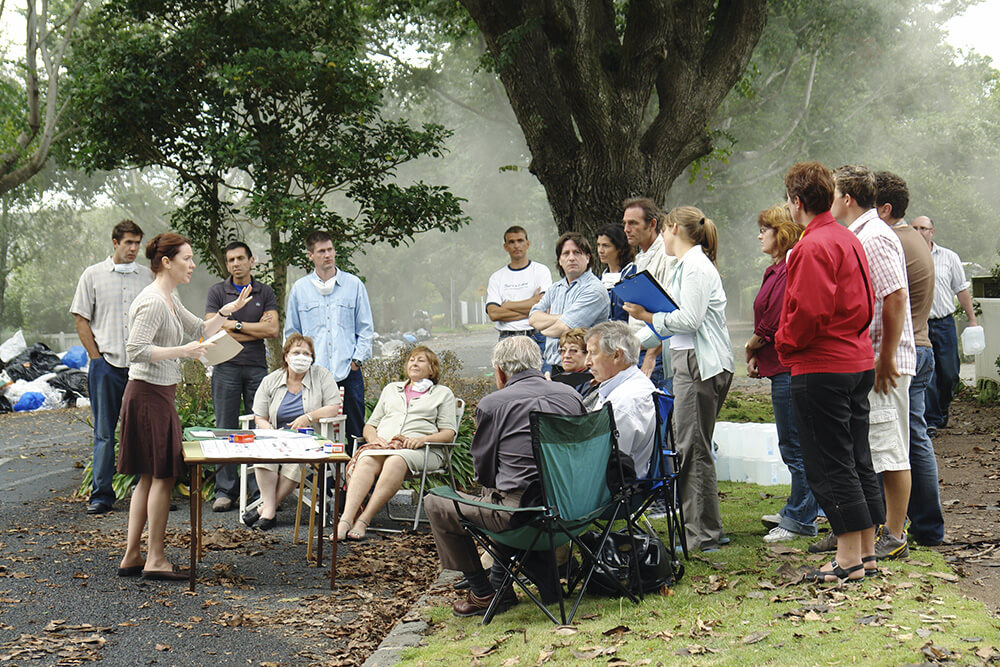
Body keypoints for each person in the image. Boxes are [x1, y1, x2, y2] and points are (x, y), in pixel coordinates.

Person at [117, 233, 253, 581]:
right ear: (167, 262)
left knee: (149, 477)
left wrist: (228, 311)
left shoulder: (168, 297)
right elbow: (135, 349)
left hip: (156, 393)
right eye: (187, 258)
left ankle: (134, 555)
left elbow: (199, 329)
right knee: (162, 476)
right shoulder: (153, 301)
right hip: (148, 393)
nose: (193, 265)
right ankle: (156, 559)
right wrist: (183, 352)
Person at [423, 336, 585, 617]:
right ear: (538, 363)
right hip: (575, 511)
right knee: (504, 494)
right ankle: (500, 583)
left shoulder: (494, 404)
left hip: (524, 516)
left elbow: (483, 472)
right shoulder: (571, 395)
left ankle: (483, 592)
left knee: (438, 501)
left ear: (500, 372)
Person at [776, 162, 880, 583]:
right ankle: (867, 553)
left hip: (822, 364)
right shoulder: (847, 238)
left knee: (828, 460)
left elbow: (809, 313)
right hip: (856, 359)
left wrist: (783, 342)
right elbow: (868, 301)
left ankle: (848, 559)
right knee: (857, 458)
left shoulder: (812, 245)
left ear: (797, 202)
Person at [624, 206, 734, 553]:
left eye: (665, 233)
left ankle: (701, 535)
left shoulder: (696, 266)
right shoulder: (684, 266)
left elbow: (688, 320)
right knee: (695, 447)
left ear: (672, 228)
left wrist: (647, 315)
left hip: (699, 365)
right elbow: (673, 325)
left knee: (692, 449)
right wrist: (627, 347)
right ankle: (705, 528)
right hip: (689, 361)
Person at [831, 164, 915, 562]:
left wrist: (885, 357)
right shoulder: (859, 234)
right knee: (870, 448)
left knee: (890, 448)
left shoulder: (875, 237)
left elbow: (895, 297)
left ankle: (895, 534)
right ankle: (869, 529)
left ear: (846, 198)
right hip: (872, 359)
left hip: (888, 362)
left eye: (832, 193)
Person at [876, 174, 944, 548]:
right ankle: (925, 526)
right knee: (913, 438)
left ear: (885, 209)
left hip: (909, 349)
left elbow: (894, 300)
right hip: (921, 346)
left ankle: (925, 527)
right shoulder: (912, 239)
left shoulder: (895, 243)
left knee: (909, 442)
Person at [745, 205, 818, 543]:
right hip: (776, 364)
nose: (759, 235)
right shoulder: (773, 269)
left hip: (791, 366)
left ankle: (802, 518)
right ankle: (797, 507)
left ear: (782, 232)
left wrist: (753, 342)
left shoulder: (790, 267)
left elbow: (776, 317)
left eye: (765, 229)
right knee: (791, 441)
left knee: (796, 444)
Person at [71, 220, 153, 515]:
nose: (133, 249)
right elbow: (81, 319)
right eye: (128, 243)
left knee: (145, 430)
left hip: (141, 368)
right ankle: (102, 495)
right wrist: (95, 357)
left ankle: (151, 494)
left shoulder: (147, 277)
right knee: (105, 432)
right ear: (115, 243)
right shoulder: (92, 275)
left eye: (137, 243)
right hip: (106, 364)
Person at [336, 346, 458, 541]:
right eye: (411, 360)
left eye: (421, 360)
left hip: (423, 450)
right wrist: (374, 440)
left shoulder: (442, 393)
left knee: (396, 460)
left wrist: (421, 439)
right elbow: (370, 426)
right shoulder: (392, 389)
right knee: (366, 459)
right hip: (383, 447)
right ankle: (346, 519)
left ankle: (364, 520)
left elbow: (448, 433)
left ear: (432, 368)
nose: (414, 363)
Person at [205, 241, 279, 512]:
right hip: (224, 366)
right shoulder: (217, 291)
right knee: (225, 428)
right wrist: (252, 327)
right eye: (230, 260)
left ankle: (259, 490)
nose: (235, 263)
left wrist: (233, 324)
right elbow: (212, 329)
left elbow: (271, 330)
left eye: (240, 258)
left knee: (259, 427)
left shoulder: (265, 291)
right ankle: (225, 490)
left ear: (251, 260)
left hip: (257, 368)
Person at [285, 231, 374, 449]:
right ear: (310, 255)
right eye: (321, 251)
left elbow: (366, 328)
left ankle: (356, 477)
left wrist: (357, 361)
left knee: (355, 430)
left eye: (330, 250)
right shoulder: (300, 289)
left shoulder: (353, 285)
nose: (328, 255)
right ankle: (323, 481)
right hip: (314, 373)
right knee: (316, 428)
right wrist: (297, 364)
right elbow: (292, 333)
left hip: (348, 371)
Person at [246, 333, 342, 530]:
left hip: (309, 439)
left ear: (312, 359)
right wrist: (269, 429)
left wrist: (308, 417)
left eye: (306, 353)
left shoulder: (322, 375)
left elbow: (333, 406)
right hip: (275, 437)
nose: (301, 357)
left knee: (296, 461)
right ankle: (269, 509)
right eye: (296, 352)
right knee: (263, 455)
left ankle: (266, 510)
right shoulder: (271, 380)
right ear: (286, 356)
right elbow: (259, 416)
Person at [913, 215, 978, 436]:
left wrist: (972, 319)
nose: (919, 231)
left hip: (944, 322)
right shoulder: (907, 257)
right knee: (927, 374)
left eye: (923, 228)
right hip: (920, 325)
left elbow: (961, 289)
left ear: (932, 231)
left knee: (949, 372)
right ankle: (931, 420)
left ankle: (941, 410)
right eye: (915, 228)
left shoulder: (949, 257)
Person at [529, 233, 610, 374]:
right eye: (566, 253)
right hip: (552, 366)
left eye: (577, 253)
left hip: (584, 370)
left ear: (587, 258)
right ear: (559, 260)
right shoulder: (555, 288)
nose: (571, 258)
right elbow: (533, 318)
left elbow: (560, 329)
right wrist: (563, 317)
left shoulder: (595, 290)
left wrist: (544, 328)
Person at [585, 321, 656, 477]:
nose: (587, 362)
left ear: (617, 355)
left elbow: (603, 462)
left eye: (593, 353)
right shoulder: (628, 387)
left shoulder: (624, 401)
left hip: (609, 488)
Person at [622, 197, 674, 389]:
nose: (627, 229)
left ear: (652, 224)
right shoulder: (642, 257)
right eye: (625, 223)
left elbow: (670, 313)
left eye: (633, 223)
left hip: (655, 353)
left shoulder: (666, 257)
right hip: (638, 347)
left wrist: (652, 354)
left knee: (657, 413)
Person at [485, 226, 553, 351]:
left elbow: (543, 305)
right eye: (511, 242)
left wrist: (506, 305)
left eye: (520, 241)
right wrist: (532, 307)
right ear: (505, 247)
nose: (516, 245)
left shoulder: (541, 271)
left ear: (527, 244)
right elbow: (494, 313)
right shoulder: (497, 277)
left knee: (541, 372)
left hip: (536, 337)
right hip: (507, 339)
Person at [595, 225, 636, 321]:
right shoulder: (599, 280)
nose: (600, 250)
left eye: (606, 246)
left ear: (620, 248)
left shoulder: (633, 275)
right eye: (598, 245)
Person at [550, 328, 597, 399]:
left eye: (573, 351)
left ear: (588, 353)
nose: (566, 355)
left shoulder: (592, 382)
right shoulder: (560, 378)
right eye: (563, 350)